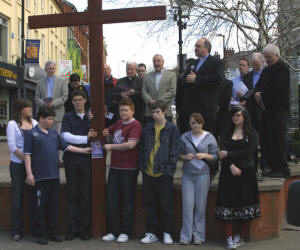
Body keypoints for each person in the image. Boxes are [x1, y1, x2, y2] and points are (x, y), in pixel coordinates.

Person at [23, 106, 91, 245]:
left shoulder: (54, 134)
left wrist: (84, 151)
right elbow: (27, 155)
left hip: (54, 177)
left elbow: (66, 147)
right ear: (41, 118)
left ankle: (51, 232)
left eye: (53, 119)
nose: (51, 122)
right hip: (39, 177)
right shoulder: (31, 134)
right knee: (39, 207)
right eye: (49, 119)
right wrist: (29, 173)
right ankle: (40, 234)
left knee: (53, 206)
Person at [215, 106, 261, 249]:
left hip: (246, 173)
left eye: (239, 115)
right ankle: (228, 237)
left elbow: (248, 152)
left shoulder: (252, 133)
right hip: (229, 174)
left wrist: (229, 154)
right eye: (234, 115)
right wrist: (231, 165)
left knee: (245, 205)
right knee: (228, 204)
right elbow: (222, 152)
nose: (236, 118)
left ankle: (239, 236)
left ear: (245, 117)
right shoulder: (225, 132)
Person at [101, 98, 142, 243]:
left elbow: (131, 145)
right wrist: (104, 131)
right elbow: (107, 132)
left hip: (129, 169)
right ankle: (113, 231)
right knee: (112, 201)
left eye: (126, 110)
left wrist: (111, 147)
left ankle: (125, 231)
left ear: (132, 111)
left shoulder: (136, 125)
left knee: (127, 202)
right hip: (114, 168)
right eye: (121, 110)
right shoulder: (118, 123)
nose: (123, 113)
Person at [139, 100, 180, 245]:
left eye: (158, 112)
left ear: (164, 112)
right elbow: (142, 147)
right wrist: (142, 167)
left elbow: (175, 151)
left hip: (164, 173)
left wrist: (169, 171)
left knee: (166, 206)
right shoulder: (148, 128)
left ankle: (167, 233)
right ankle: (152, 233)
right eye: (153, 112)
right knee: (150, 205)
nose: (155, 115)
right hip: (148, 172)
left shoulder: (172, 129)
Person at [61, 89, 97, 241]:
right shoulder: (67, 116)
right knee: (72, 196)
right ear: (72, 102)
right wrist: (85, 139)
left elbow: (99, 134)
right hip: (71, 161)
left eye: (80, 100)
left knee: (85, 196)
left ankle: (84, 230)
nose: (77, 102)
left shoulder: (91, 117)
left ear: (85, 101)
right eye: (75, 100)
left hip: (87, 162)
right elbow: (65, 136)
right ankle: (72, 229)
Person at [179, 113, 218, 245]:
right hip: (188, 175)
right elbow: (178, 154)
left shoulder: (209, 137)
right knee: (187, 206)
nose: (196, 125)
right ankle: (185, 236)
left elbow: (215, 156)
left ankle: (199, 236)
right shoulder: (184, 137)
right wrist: (185, 157)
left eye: (198, 122)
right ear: (189, 124)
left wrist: (205, 155)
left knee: (200, 207)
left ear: (202, 123)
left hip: (203, 174)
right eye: (193, 123)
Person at [255, 44, 290, 177]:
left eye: (269, 57)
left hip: (279, 110)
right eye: (265, 57)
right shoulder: (265, 71)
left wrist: (262, 95)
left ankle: (282, 168)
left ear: (276, 55)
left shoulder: (283, 69)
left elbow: (278, 88)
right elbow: (259, 85)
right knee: (268, 139)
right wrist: (257, 93)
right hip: (267, 110)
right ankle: (271, 166)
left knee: (279, 139)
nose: (266, 60)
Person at [6, 99, 38, 241]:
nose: (30, 109)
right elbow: (13, 147)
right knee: (17, 197)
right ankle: (16, 230)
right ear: (20, 109)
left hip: (34, 165)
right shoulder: (12, 124)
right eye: (27, 107)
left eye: (30, 106)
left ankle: (35, 228)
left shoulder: (35, 123)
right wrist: (27, 160)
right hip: (18, 165)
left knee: (35, 197)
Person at [181, 38, 224, 135]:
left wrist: (197, 80)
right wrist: (187, 80)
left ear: (207, 48)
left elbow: (218, 78)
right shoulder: (193, 63)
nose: (195, 48)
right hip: (191, 109)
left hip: (206, 109)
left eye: (198, 46)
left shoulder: (216, 62)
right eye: (195, 46)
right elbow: (183, 81)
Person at [243, 53, 267, 172]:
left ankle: (264, 165)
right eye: (253, 65)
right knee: (251, 139)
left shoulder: (267, 73)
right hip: (250, 112)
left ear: (262, 62)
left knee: (264, 140)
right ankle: (252, 165)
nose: (255, 67)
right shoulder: (248, 76)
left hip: (262, 111)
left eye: (256, 64)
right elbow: (246, 92)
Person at [35, 60, 68, 134]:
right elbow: (36, 98)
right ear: (45, 69)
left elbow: (64, 96)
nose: (51, 70)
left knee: (57, 135)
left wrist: (53, 103)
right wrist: (44, 104)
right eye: (49, 68)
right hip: (44, 113)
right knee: (44, 134)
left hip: (57, 114)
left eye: (53, 68)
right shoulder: (39, 82)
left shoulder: (62, 81)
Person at [142, 54, 177, 123]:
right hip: (150, 112)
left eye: (158, 61)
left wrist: (158, 102)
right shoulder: (146, 76)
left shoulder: (172, 75)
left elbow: (172, 92)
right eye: (154, 61)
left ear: (163, 62)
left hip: (166, 111)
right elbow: (144, 91)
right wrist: (150, 101)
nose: (156, 63)